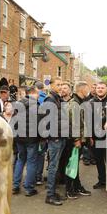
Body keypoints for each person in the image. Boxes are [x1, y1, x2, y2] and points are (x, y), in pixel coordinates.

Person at [40, 77, 67, 206]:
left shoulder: (58, 98)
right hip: (55, 138)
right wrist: (53, 136)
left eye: (62, 84)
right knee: (53, 167)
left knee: (55, 167)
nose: (61, 86)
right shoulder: (50, 99)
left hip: (60, 136)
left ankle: (53, 192)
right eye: (58, 84)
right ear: (51, 86)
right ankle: (50, 195)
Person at [63, 82, 92, 199]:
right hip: (73, 140)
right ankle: (69, 190)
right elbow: (74, 124)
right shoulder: (75, 103)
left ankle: (77, 186)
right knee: (72, 164)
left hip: (78, 138)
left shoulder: (79, 102)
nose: (88, 92)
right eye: (87, 89)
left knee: (75, 164)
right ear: (82, 90)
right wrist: (76, 140)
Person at [12, 86, 41, 196]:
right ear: (33, 93)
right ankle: (29, 188)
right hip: (32, 139)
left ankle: (15, 186)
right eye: (37, 93)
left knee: (20, 160)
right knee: (31, 162)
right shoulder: (36, 105)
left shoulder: (19, 104)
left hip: (20, 137)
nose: (38, 95)